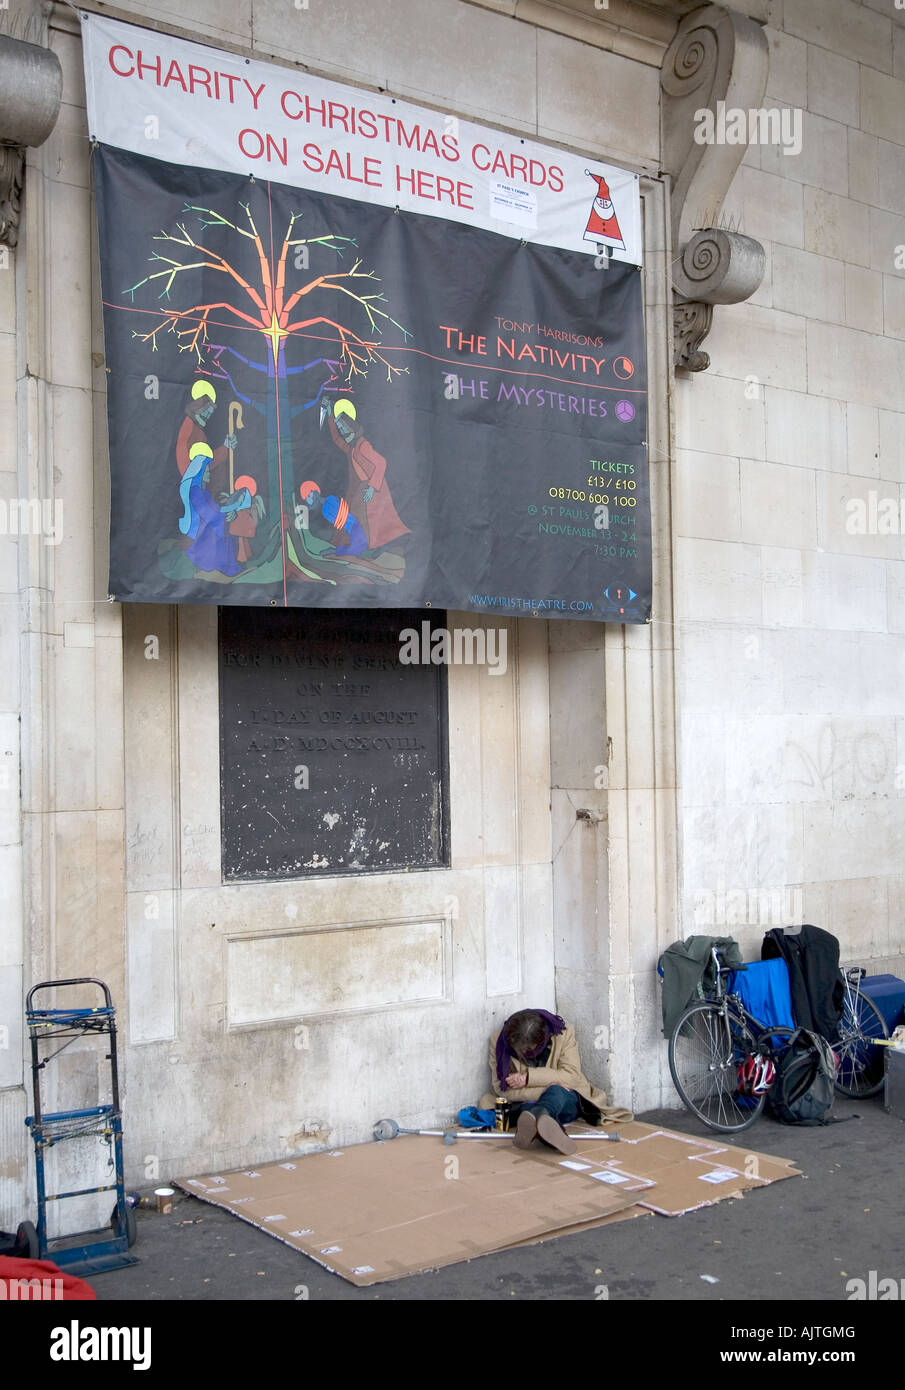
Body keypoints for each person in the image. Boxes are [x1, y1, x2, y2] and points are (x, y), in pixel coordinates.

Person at [478, 1008, 626, 1154]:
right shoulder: (499, 1042)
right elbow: (502, 1089)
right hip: (525, 1102)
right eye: (519, 1050)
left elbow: (572, 1076)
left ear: (542, 1040)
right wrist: (545, 1090)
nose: (523, 1054)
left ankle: (537, 1124)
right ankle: (545, 1123)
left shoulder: (563, 1034)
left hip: (563, 1100)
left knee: (555, 1094)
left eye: (528, 1050)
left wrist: (529, 1078)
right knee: (547, 1097)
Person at [321, 397, 410, 551]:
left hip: (373, 489)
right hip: (363, 487)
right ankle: (361, 546)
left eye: (343, 427)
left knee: (374, 521)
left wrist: (372, 487)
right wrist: (330, 414)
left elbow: (381, 463)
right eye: (340, 428)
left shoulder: (363, 445)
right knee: (357, 518)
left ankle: (374, 547)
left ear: (350, 426)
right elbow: (336, 439)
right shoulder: (352, 448)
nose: (342, 430)